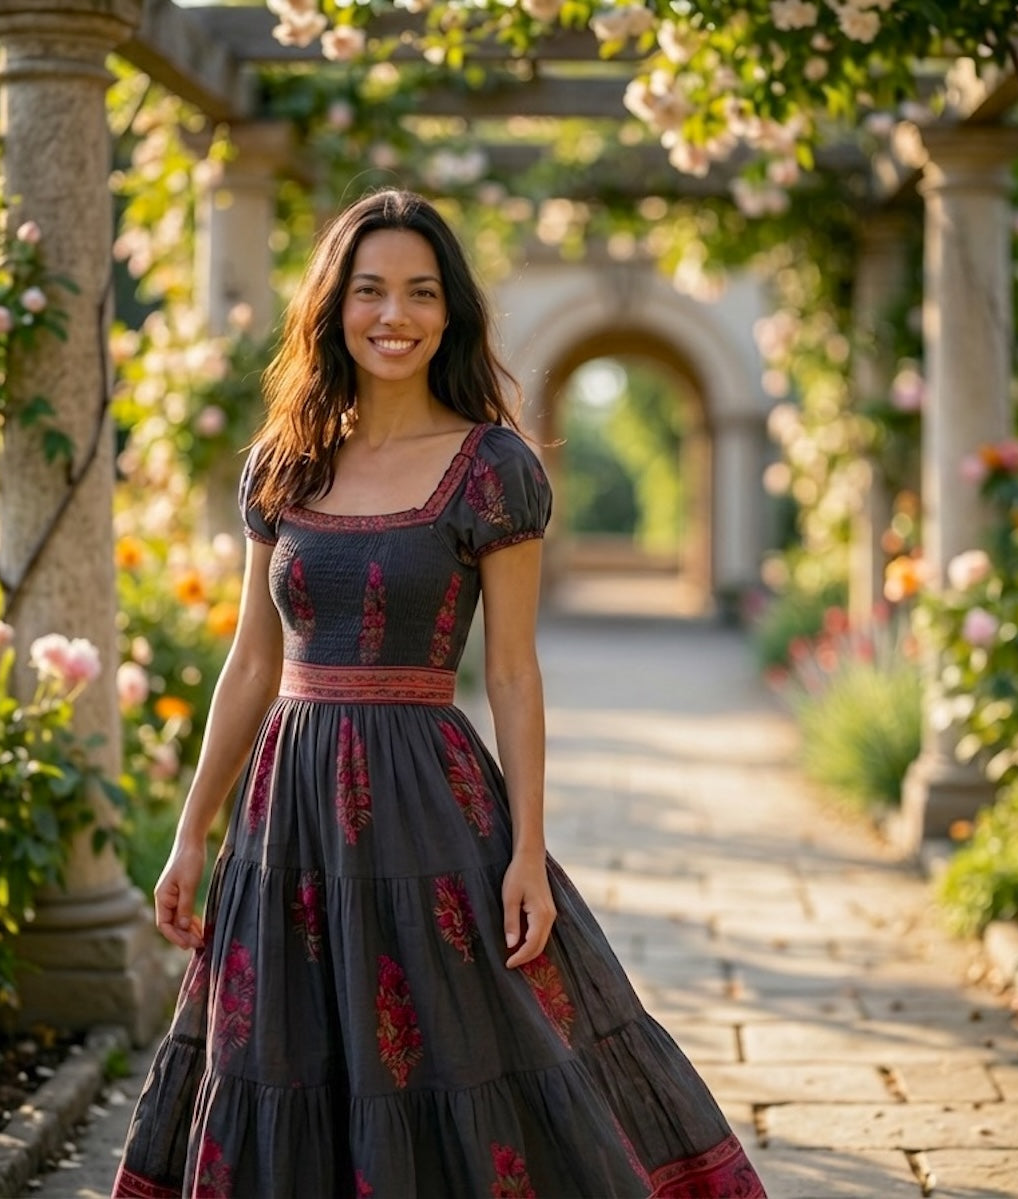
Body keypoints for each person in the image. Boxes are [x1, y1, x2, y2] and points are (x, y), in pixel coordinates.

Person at [112, 189, 766, 1199]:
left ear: (450, 312)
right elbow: (251, 661)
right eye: (369, 290)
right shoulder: (281, 467)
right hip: (287, 816)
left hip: (430, 802)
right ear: (333, 308)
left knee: (462, 1054)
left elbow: (511, 669)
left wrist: (527, 854)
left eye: (420, 292)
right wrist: (193, 828)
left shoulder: (492, 468)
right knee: (291, 1057)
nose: (394, 314)